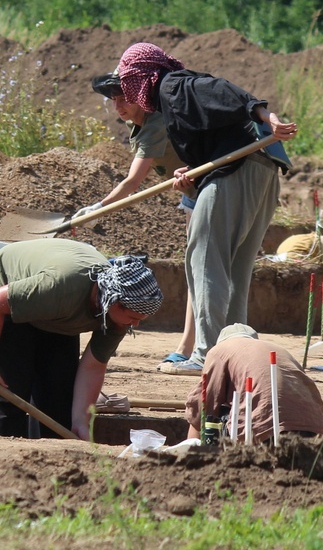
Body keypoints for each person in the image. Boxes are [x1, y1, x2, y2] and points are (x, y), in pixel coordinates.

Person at [115, 43, 297, 375]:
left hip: (239, 170)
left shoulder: (173, 86)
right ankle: (234, 352)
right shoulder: (174, 96)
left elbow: (230, 94)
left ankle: (205, 354)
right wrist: (192, 174)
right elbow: (217, 137)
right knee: (235, 268)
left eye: (129, 81)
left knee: (204, 260)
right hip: (260, 172)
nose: (127, 92)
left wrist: (269, 118)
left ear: (144, 76)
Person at [0, 239, 163, 440]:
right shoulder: (61, 287)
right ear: (113, 302)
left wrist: (81, 421)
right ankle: (2, 456)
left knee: (59, 404)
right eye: (133, 317)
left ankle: (45, 458)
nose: (135, 324)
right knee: (8, 396)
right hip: (6, 297)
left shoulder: (117, 319)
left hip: (57, 314)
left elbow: (93, 367)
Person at [74, 71, 196, 370]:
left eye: (124, 98)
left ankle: (190, 347)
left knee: (199, 270)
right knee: (195, 268)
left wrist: (98, 208)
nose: (118, 106)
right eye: (113, 100)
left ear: (141, 96)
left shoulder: (155, 121)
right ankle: (191, 345)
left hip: (207, 189)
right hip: (192, 193)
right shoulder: (140, 123)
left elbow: (132, 181)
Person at [184, 324, 323, 443]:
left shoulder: (219, 351)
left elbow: (203, 405)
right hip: (313, 428)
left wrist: (190, 450)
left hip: (263, 430)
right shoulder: (279, 350)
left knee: (216, 416)